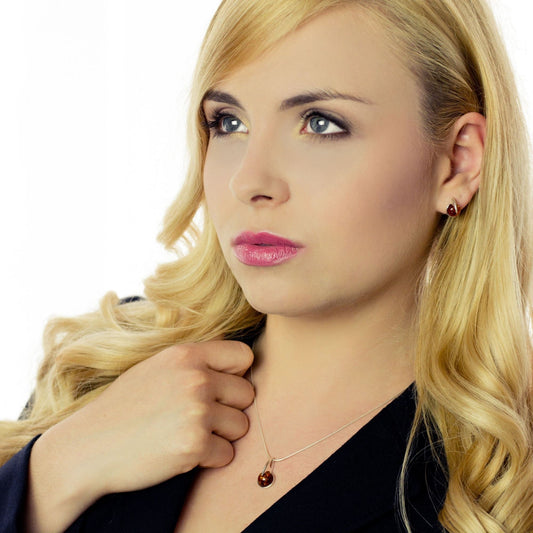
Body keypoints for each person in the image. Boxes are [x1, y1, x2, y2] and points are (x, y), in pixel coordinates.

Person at [1, 0, 532, 531]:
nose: (249, 181)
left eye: (320, 124)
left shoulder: (502, 484)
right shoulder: (105, 372)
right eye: (229, 122)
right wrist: (57, 470)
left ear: (457, 162)